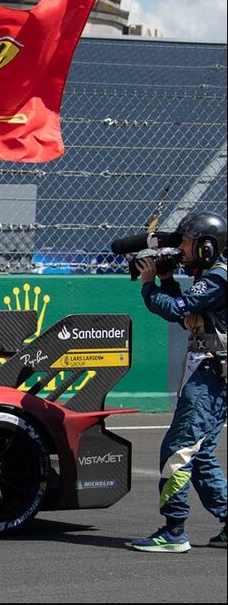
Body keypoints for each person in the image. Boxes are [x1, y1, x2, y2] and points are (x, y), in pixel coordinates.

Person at [129, 211, 226, 553]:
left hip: (212, 378)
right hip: (213, 375)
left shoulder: (218, 280)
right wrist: (167, 279)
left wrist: (150, 285)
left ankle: (174, 531)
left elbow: (176, 309)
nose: (181, 250)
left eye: (186, 244)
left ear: (206, 248)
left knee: (178, 450)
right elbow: (189, 315)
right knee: (200, 455)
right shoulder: (215, 277)